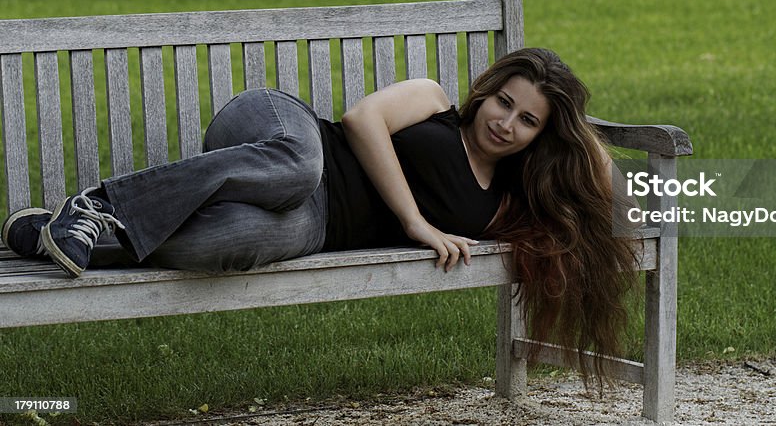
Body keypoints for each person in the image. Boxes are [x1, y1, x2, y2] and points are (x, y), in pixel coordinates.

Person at [2, 47, 637, 381]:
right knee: (296, 168)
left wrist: (570, 123)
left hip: (316, 227)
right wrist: (416, 224)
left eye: (529, 121)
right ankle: (105, 203)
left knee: (217, 245)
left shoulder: (507, 195)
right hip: (288, 137)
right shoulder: (433, 100)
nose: (507, 122)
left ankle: (55, 233)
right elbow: (362, 120)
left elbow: (615, 195)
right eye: (506, 101)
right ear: (488, 89)